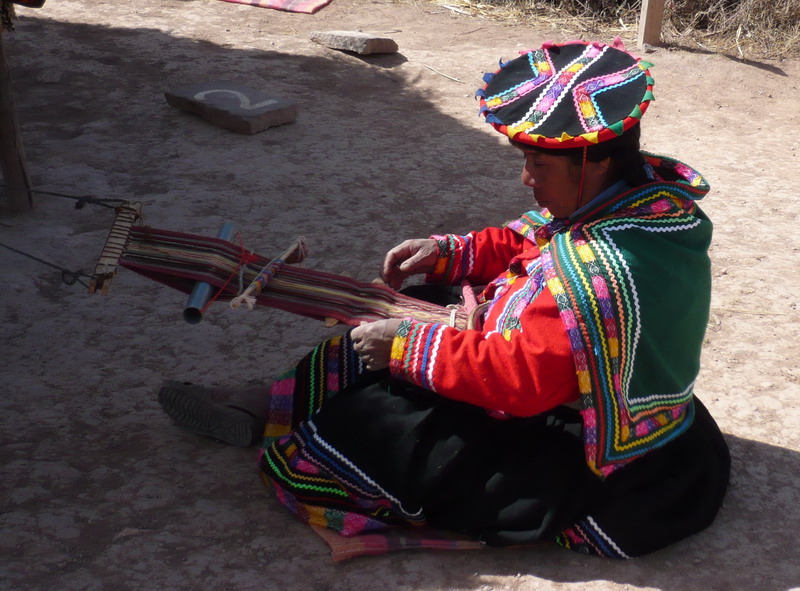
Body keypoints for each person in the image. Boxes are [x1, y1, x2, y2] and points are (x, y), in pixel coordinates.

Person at [159, 39, 730, 558]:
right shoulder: (636, 200)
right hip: (555, 369)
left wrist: (411, 349)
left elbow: (525, 383)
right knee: (409, 308)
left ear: (597, 159)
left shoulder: (603, 268)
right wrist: (449, 253)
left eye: (539, 164)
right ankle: (270, 402)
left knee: (349, 437)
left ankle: (302, 422)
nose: (526, 178)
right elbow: (527, 238)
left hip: (572, 435)